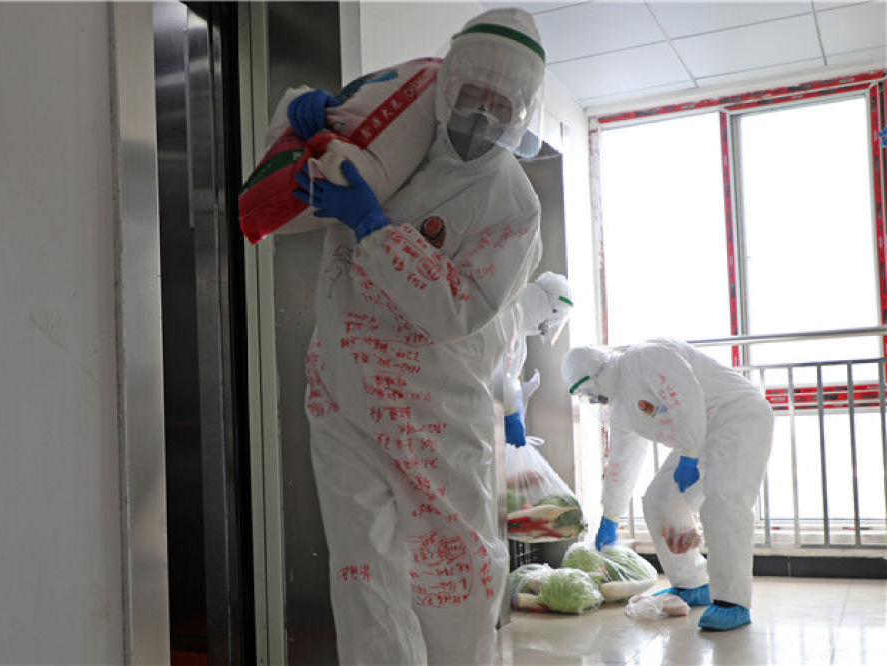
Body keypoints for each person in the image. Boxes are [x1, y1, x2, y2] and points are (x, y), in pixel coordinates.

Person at [290, 7, 546, 664]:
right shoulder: (394, 144)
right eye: (472, 94)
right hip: (341, 395)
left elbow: (457, 309)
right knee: (362, 574)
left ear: (522, 113)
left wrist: (374, 229)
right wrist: (303, 117)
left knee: (455, 575)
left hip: (434, 413)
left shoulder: (513, 205)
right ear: (447, 85)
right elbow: (300, 155)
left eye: (501, 105)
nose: (481, 115)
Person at [560, 338, 774, 631]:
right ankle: (692, 583)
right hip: (699, 435)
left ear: (596, 375)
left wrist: (688, 457)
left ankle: (732, 601)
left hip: (738, 417)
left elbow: (687, 399)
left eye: (589, 392)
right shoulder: (623, 408)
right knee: (659, 498)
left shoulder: (644, 358)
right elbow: (622, 462)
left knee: (723, 500)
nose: (593, 400)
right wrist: (610, 514)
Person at [493, 272, 573, 448]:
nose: (545, 328)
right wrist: (510, 414)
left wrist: (519, 392)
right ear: (549, 310)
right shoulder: (511, 317)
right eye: (550, 322)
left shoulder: (520, 327)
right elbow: (498, 372)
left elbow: (507, 376)